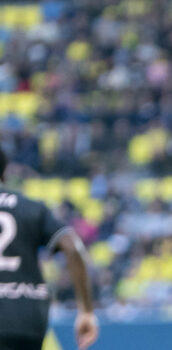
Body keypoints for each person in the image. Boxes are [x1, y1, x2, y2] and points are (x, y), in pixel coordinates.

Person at [0, 149, 98, 350]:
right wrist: (86, 310)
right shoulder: (32, 207)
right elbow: (72, 247)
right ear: (5, 173)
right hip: (26, 317)